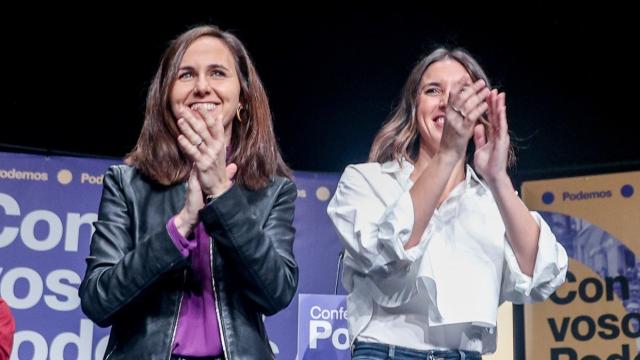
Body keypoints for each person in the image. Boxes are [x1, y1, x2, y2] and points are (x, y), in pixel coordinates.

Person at [327, 47, 568, 359]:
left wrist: (497, 177)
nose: (449, 102)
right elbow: (388, 259)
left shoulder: (491, 199)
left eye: (462, 92)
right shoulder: (367, 181)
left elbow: (541, 276)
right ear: (414, 108)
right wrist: (448, 155)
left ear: (481, 110)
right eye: (433, 90)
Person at [79, 25, 298, 360]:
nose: (202, 87)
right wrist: (181, 224)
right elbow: (98, 300)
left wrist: (222, 196)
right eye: (186, 75)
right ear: (167, 97)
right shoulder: (126, 183)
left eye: (218, 73)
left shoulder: (273, 190)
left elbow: (276, 293)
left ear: (242, 97)